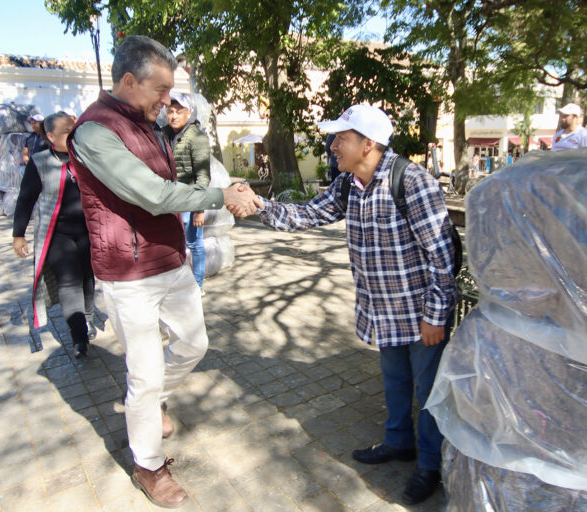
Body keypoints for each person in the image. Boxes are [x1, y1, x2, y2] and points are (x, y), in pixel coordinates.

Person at [66, 35, 258, 509]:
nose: (167, 100)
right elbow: (152, 194)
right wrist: (221, 196)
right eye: (161, 89)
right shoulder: (94, 132)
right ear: (128, 81)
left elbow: (173, 183)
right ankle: (148, 463)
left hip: (170, 259)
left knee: (195, 343)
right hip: (127, 271)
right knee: (145, 374)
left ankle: (149, 405)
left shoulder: (149, 122)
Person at [255, 104, 458, 505]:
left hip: (420, 316)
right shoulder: (349, 185)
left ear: (368, 144)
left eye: (340, 139)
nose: (332, 146)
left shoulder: (411, 181)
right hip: (383, 310)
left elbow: (442, 256)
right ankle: (398, 441)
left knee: (431, 392)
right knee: (395, 382)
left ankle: (431, 465)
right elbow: (307, 214)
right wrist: (262, 206)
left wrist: (435, 317)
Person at [13, 111, 96, 359]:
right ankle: (79, 337)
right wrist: (19, 235)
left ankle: (88, 319)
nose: (73, 135)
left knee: (88, 279)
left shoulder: (86, 157)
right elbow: (26, 199)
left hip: (88, 231)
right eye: (66, 132)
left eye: (74, 129)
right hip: (57, 234)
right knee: (69, 282)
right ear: (50, 136)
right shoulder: (39, 162)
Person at [163, 91, 209, 294]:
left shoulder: (196, 137)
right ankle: (179, 285)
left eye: (178, 112)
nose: (173, 116)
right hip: (170, 200)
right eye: (170, 111)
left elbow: (203, 176)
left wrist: (200, 209)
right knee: (175, 244)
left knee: (194, 244)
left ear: (189, 113)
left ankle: (197, 285)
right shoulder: (163, 134)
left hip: (190, 201)